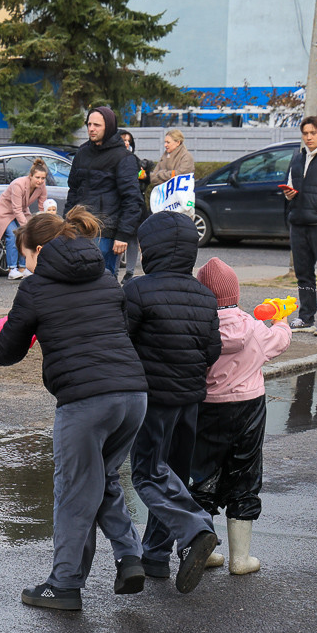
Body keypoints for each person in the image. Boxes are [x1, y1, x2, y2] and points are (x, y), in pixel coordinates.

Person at [0, 206, 149, 612]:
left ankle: (64, 585)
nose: (26, 265)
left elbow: (6, 352)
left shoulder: (36, 288)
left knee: (74, 492)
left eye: (26, 256)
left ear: (40, 249)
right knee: (102, 480)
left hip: (85, 403)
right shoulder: (107, 277)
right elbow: (122, 328)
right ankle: (130, 556)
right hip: (132, 395)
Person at [123, 211, 221, 593]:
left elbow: (123, 342)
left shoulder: (137, 290)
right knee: (173, 477)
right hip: (191, 401)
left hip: (153, 399)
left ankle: (195, 529)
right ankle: (156, 555)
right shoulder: (204, 295)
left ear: (154, 250)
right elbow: (212, 350)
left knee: (147, 473)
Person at [193, 257, 292, 574]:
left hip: (207, 408)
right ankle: (240, 558)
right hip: (249, 408)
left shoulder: (198, 329)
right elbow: (281, 341)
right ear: (235, 293)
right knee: (245, 473)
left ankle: (203, 548)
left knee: (203, 474)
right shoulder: (253, 328)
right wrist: (280, 319)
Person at [65, 106, 144, 276]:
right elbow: (73, 191)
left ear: (108, 126)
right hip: (78, 229)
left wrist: (123, 234)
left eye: (97, 125)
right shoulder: (82, 153)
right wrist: (66, 222)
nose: (91, 128)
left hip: (105, 233)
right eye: (89, 124)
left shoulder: (123, 157)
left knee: (104, 282)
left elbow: (132, 199)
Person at [282, 115, 317, 337]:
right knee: (303, 273)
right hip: (298, 222)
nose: (308, 137)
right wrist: (289, 194)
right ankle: (306, 317)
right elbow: (290, 184)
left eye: (313, 133)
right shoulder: (298, 157)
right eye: (305, 133)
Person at [0, 158, 47, 281]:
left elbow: (42, 206)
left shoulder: (42, 187)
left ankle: (23, 267)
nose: (40, 181)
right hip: (4, 211)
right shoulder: (18, 184)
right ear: (30, 176)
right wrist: (26, 226)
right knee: (14, 234)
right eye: (37, 177)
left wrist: (40, 222)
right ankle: (12, 269)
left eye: (43, 178)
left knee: (28, 235)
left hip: (21, 211)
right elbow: (16, 209)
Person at [119, 130, 153, 284]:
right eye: (124, 140)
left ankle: (129, 273)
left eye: (129, 140)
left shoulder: (134, 159)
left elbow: (144, 179)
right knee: (117, 239)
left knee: (133, 239)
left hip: (135, 205)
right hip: (119, 204)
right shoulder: (115, 159)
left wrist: (145, 175)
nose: (127, 143)